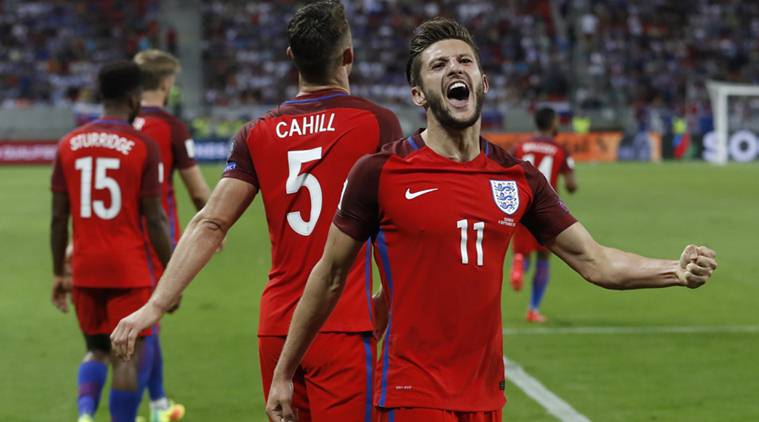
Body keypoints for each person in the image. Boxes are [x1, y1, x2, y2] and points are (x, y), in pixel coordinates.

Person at [263, 17, 717, 422]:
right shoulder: (380, 172)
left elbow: (596, 262)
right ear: (418, 93)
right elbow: (330, 275)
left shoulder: (517, 177)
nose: (455, 68)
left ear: (483, 82)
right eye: (438, 65)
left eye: (465, 61)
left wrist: (674, 272)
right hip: (411, 395)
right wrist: (285, 373)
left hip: (485, 399)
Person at [110, 1, 403, 421]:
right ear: (348, 57)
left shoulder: (257, 132)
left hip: (277, 327)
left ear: (291, 59)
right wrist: (387, 299)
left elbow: (210, 221)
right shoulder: (377, 123)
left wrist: (153, 306)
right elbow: (395, 228)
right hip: (340, 324)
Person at [50, 60, 172, 422]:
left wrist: (59, 273)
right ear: (135, 98)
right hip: (128, 269)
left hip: (84, 268)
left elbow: (59, 219)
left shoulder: (68, 144)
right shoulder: (142, 145)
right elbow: (155, 217)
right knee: (129, 356)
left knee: (96, 349)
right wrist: (171, 274)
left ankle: (86, 415)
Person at [133, 49, 207, 422]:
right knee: (148, 320)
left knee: (147, 321)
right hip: (159, 238)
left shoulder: (118, 123)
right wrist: (214, 223)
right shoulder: (172, 127)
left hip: (119, 236)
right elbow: (196, 190)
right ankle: (146, 407)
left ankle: (159, 401)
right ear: (166, 83)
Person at [509, 106, 578, 322]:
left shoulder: (520, 146)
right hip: (547, 208)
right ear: (552, 123)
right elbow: (571, 185)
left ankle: (519, 262)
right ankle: (533, 309)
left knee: (523, 249)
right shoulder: (560, 149)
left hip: (522, 204)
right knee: (544, 256)